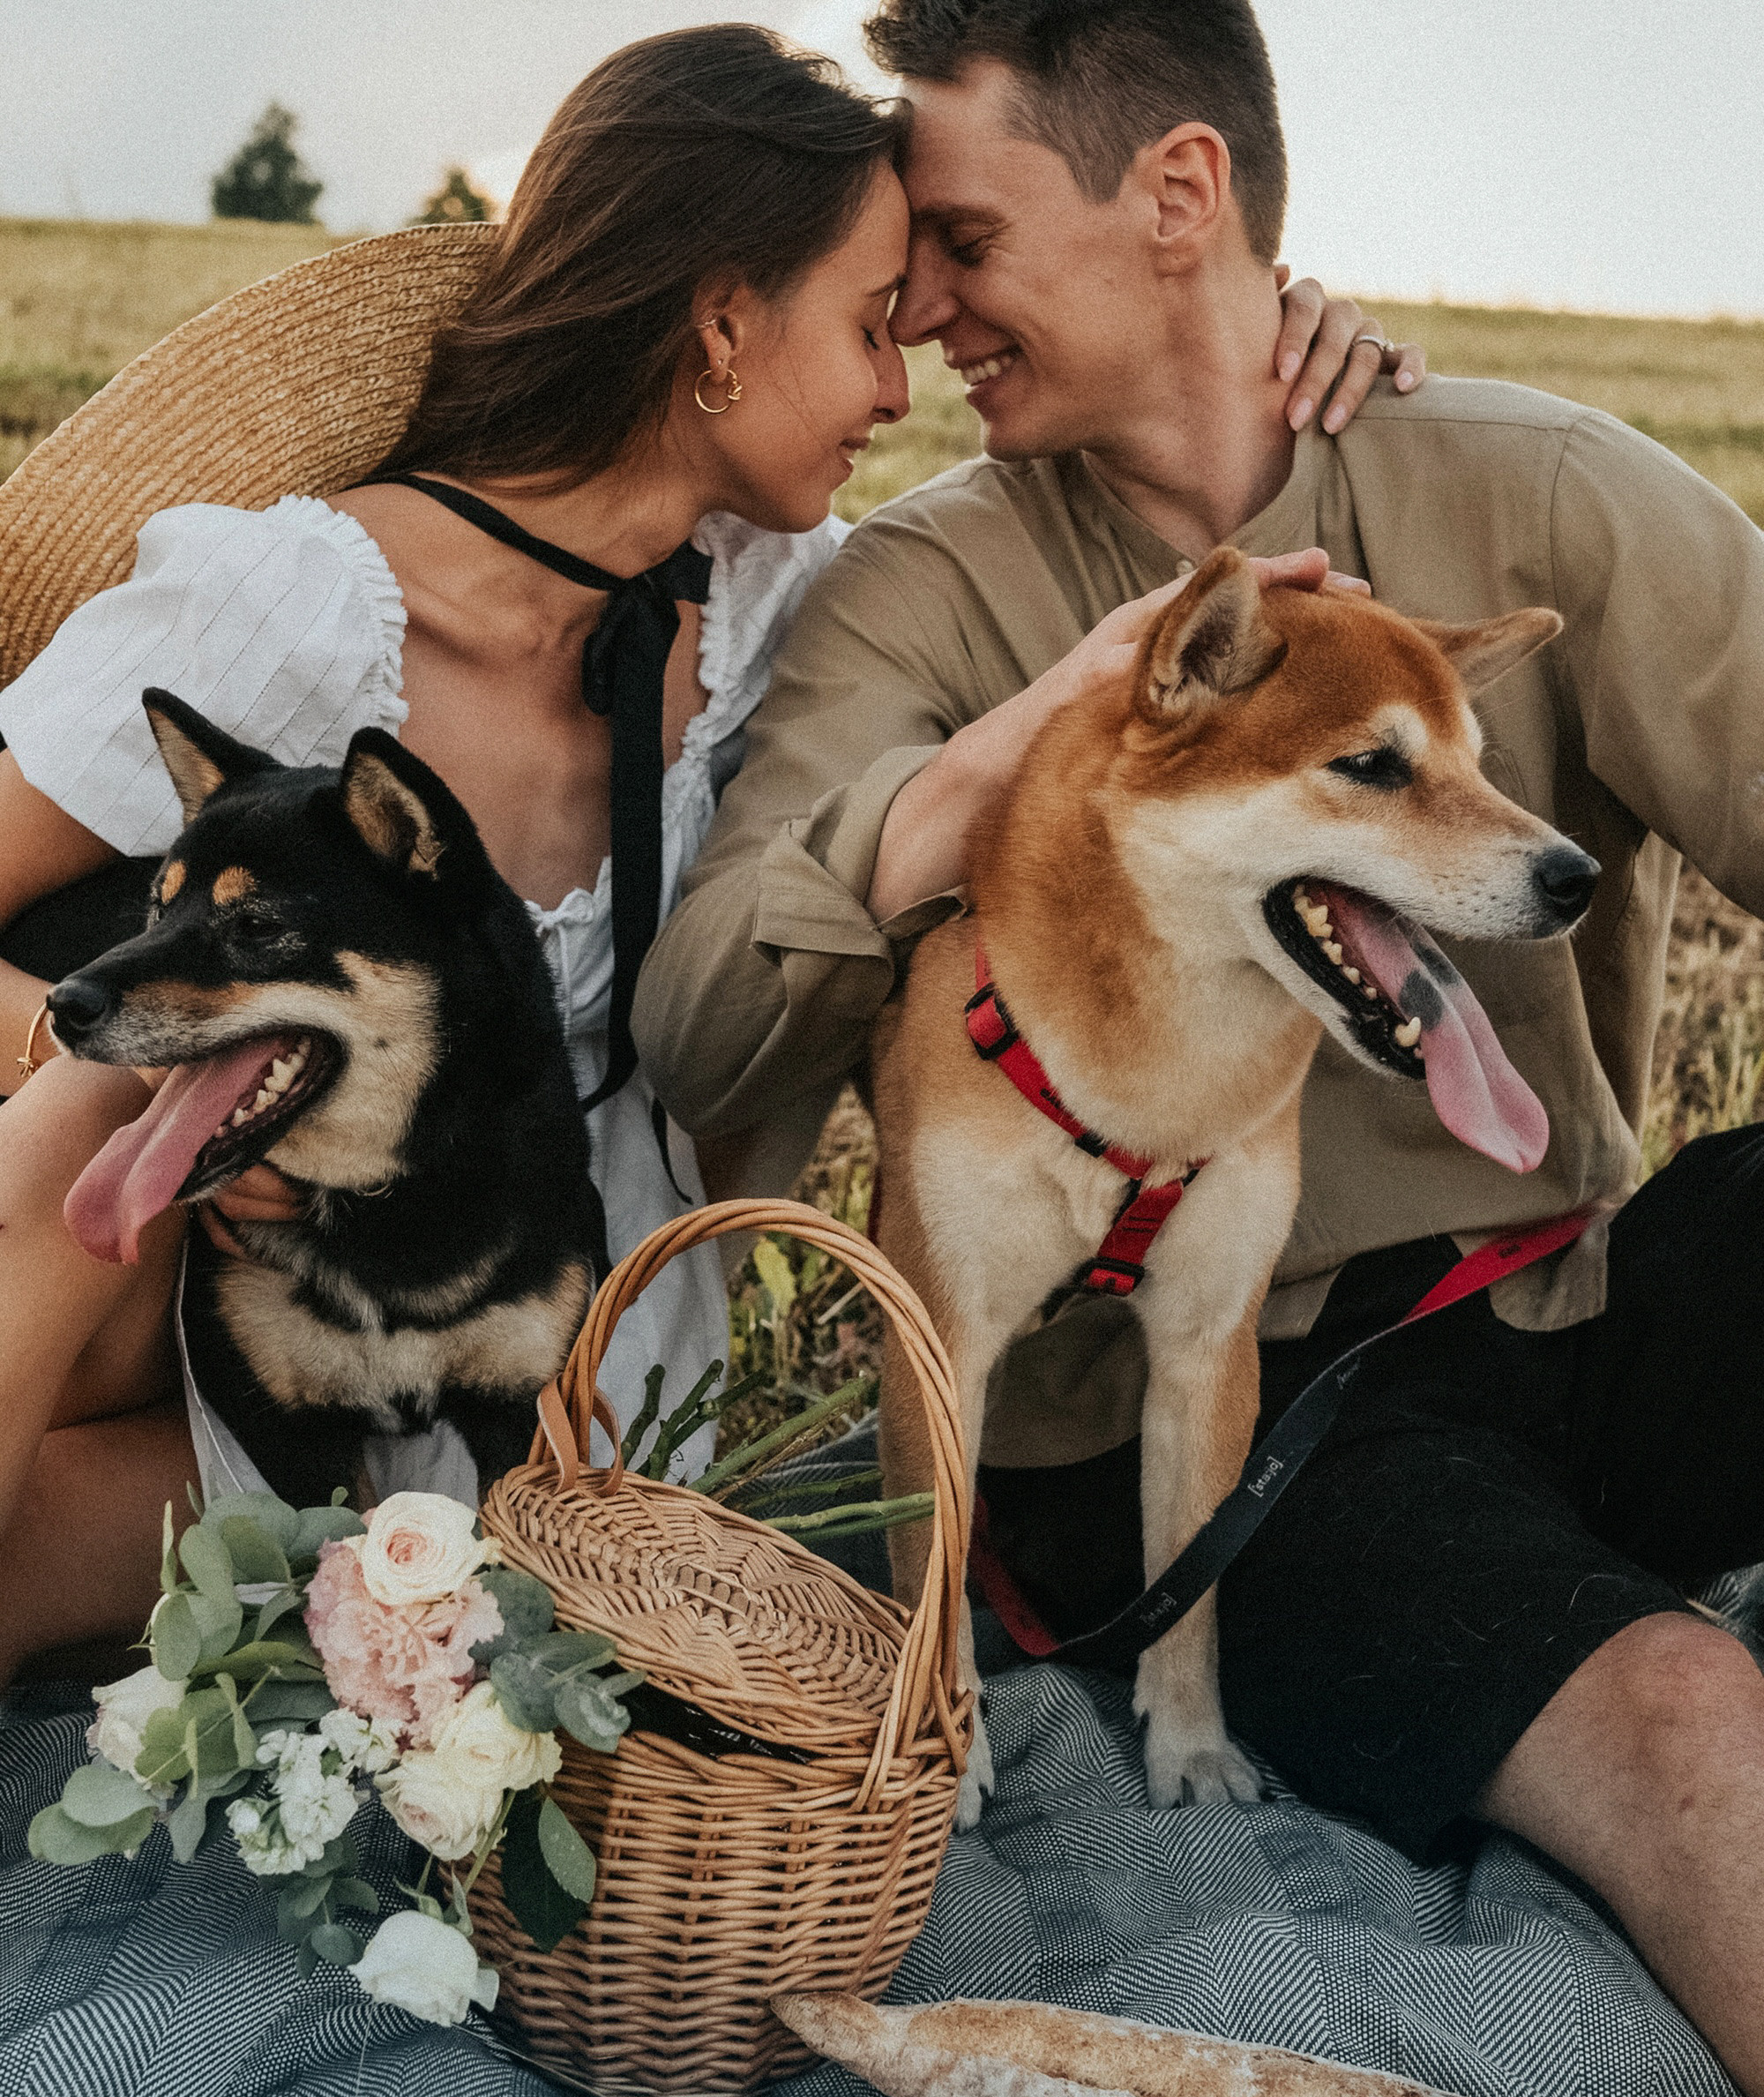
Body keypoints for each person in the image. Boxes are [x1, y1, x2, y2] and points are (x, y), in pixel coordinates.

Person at [631, 0, 1764, 2097]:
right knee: (1681, 1711)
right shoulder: (922, 597)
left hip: (1584, 1293)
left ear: (1180, 195)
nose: (927, 308)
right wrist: (966, 786)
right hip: (1264, 1441)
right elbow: (700, 1033)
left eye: (960, 236)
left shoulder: (1527, 486)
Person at [0, 22, 1388, 1681]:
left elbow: (1091, 642)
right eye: (875, 323)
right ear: (723, 326)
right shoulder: (292, 612)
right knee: (78, 1108)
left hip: (550, 1355)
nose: (900, 381)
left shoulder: (777, 608)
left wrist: (1271, 332)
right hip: (189, 1298)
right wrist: (205, 1100)